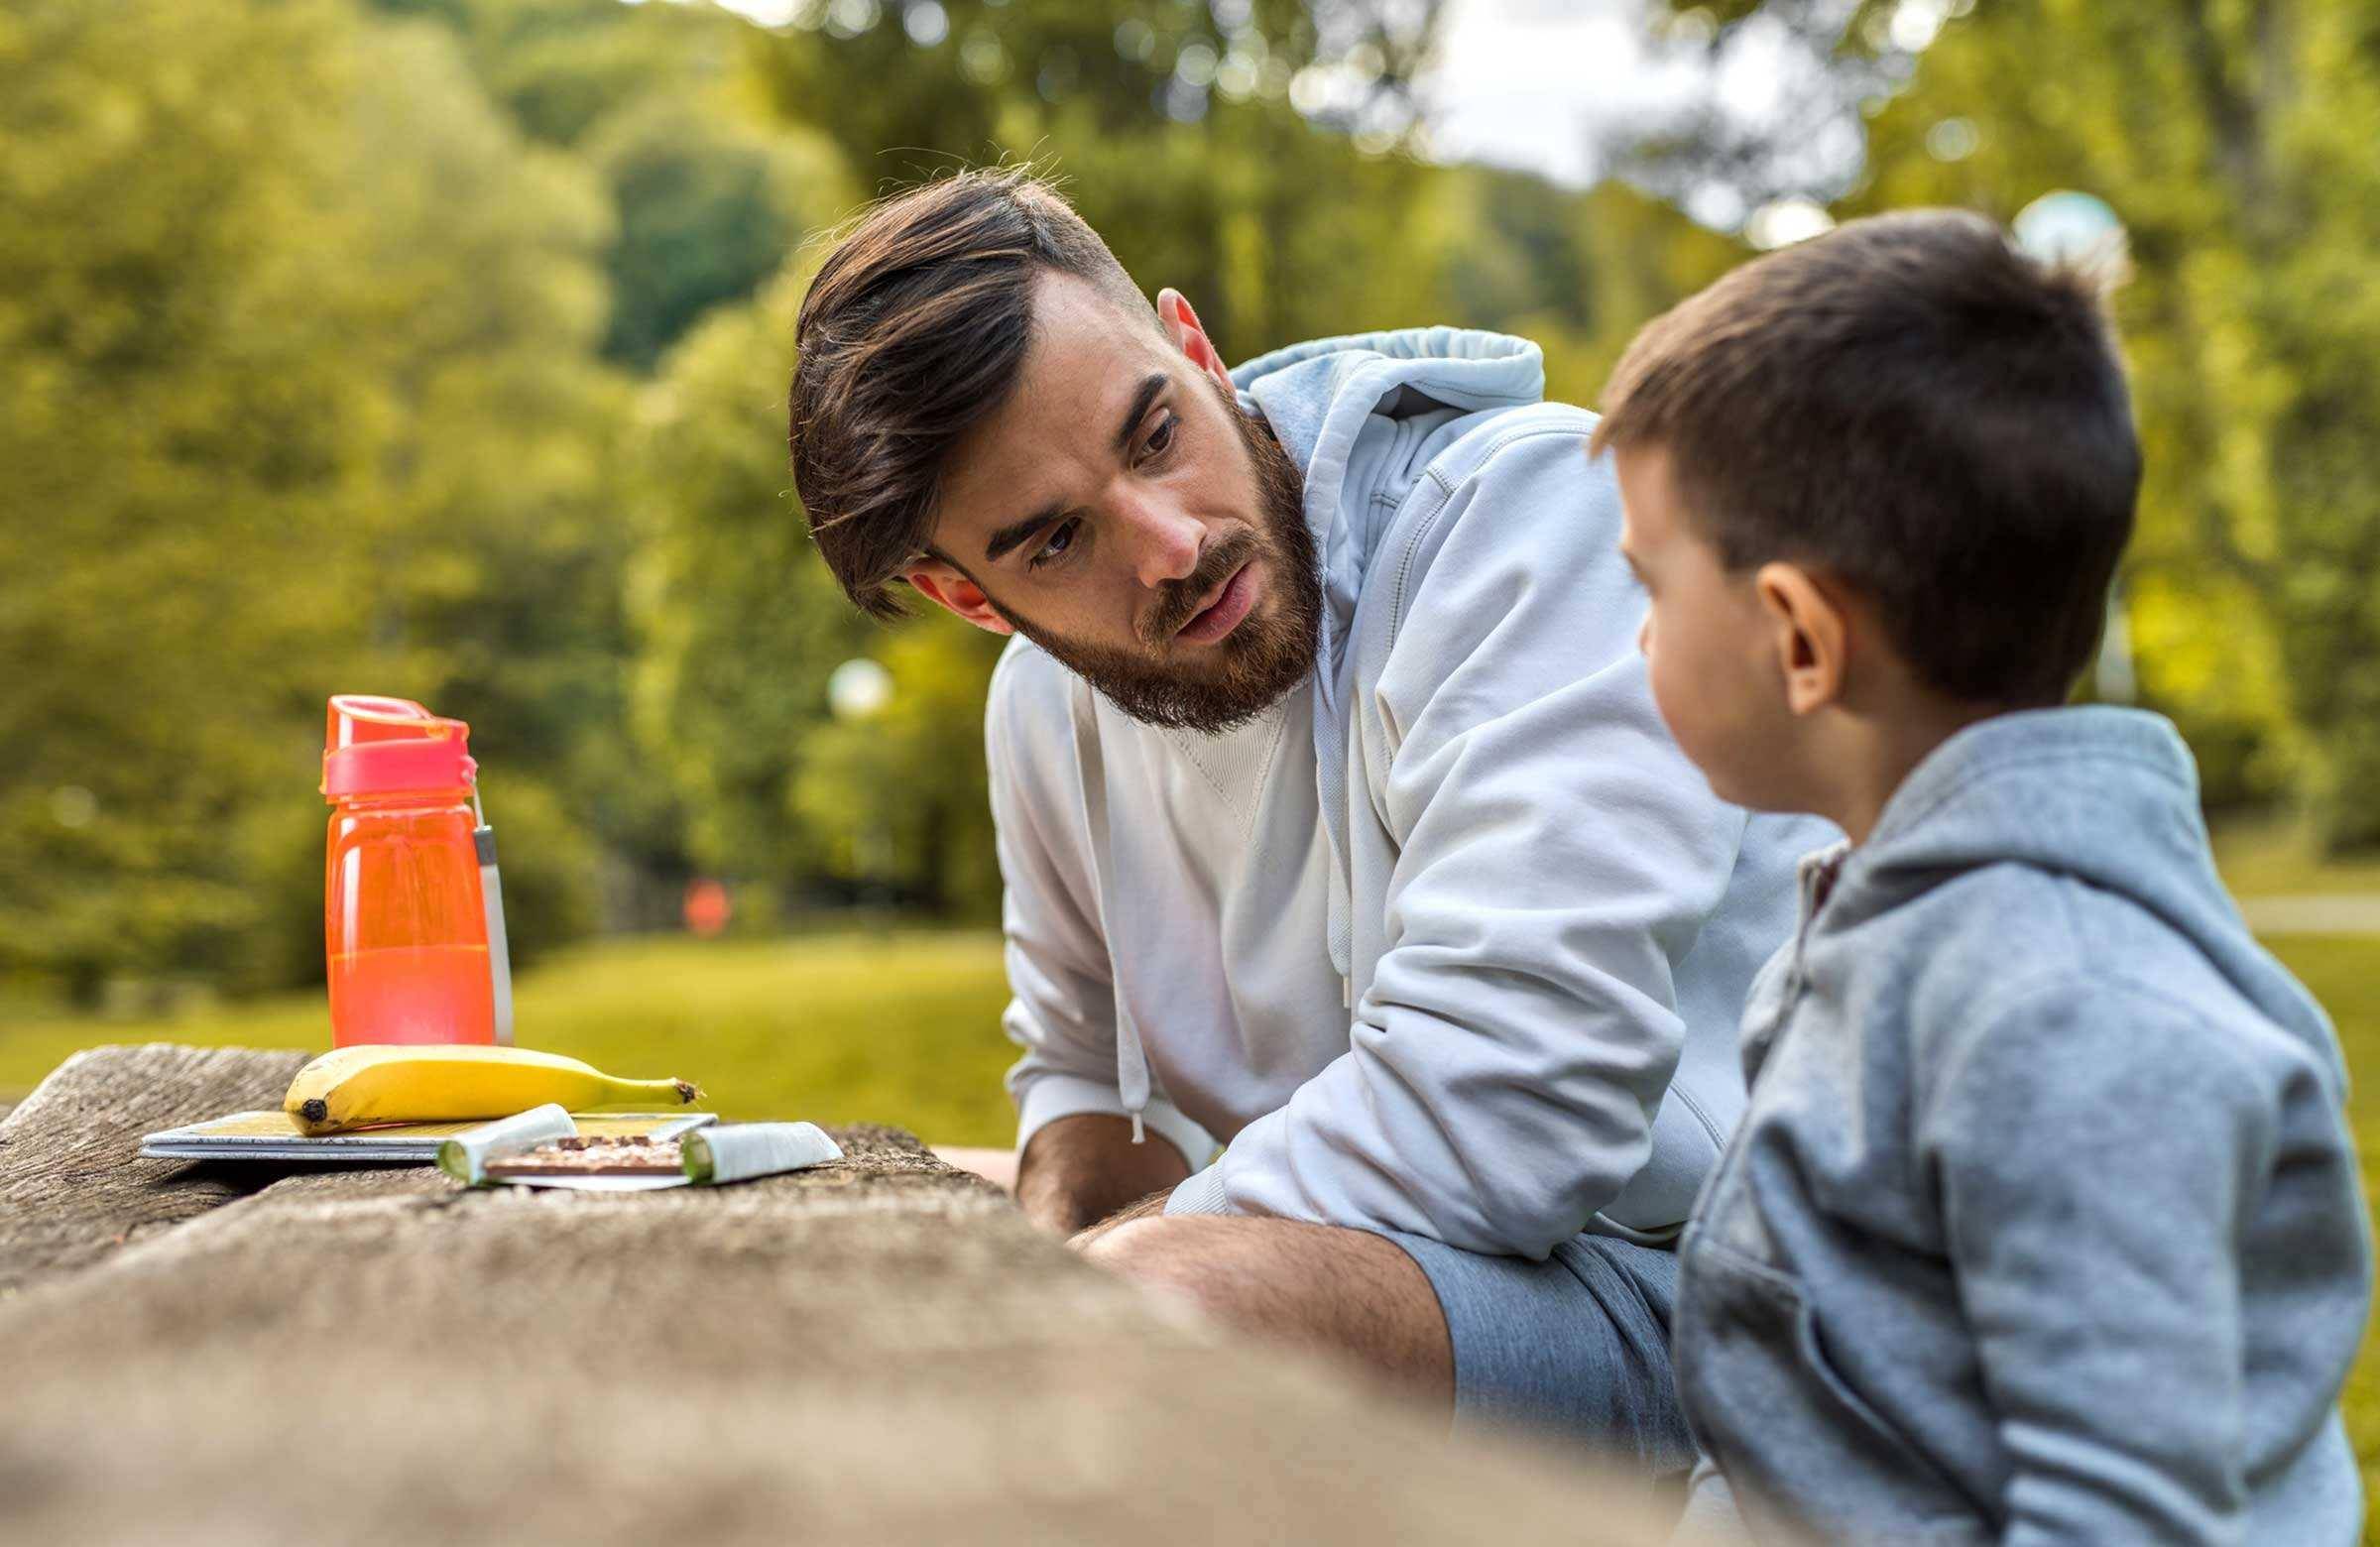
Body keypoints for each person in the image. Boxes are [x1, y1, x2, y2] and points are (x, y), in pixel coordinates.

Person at [785, 168, 1826, 1467]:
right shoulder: (1041, 714)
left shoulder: (1527, 523)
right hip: (1437, 1275)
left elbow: (1517, 1107)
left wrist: (1110, 1276)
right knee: (852, 1202)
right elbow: (1081, 1081)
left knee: (1152, 1319)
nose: (1168, 544)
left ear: (1195, 349)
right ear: (970, 598)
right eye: (1056, 542)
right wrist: (1075, 1216)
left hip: (1737, 1311)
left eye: (1154, 433)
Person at [1596, 209, 2371, 1543]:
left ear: (1798, 638)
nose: (1639, 644)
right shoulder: (1893, 924)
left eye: (1651, 592)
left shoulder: (2063, 1012)